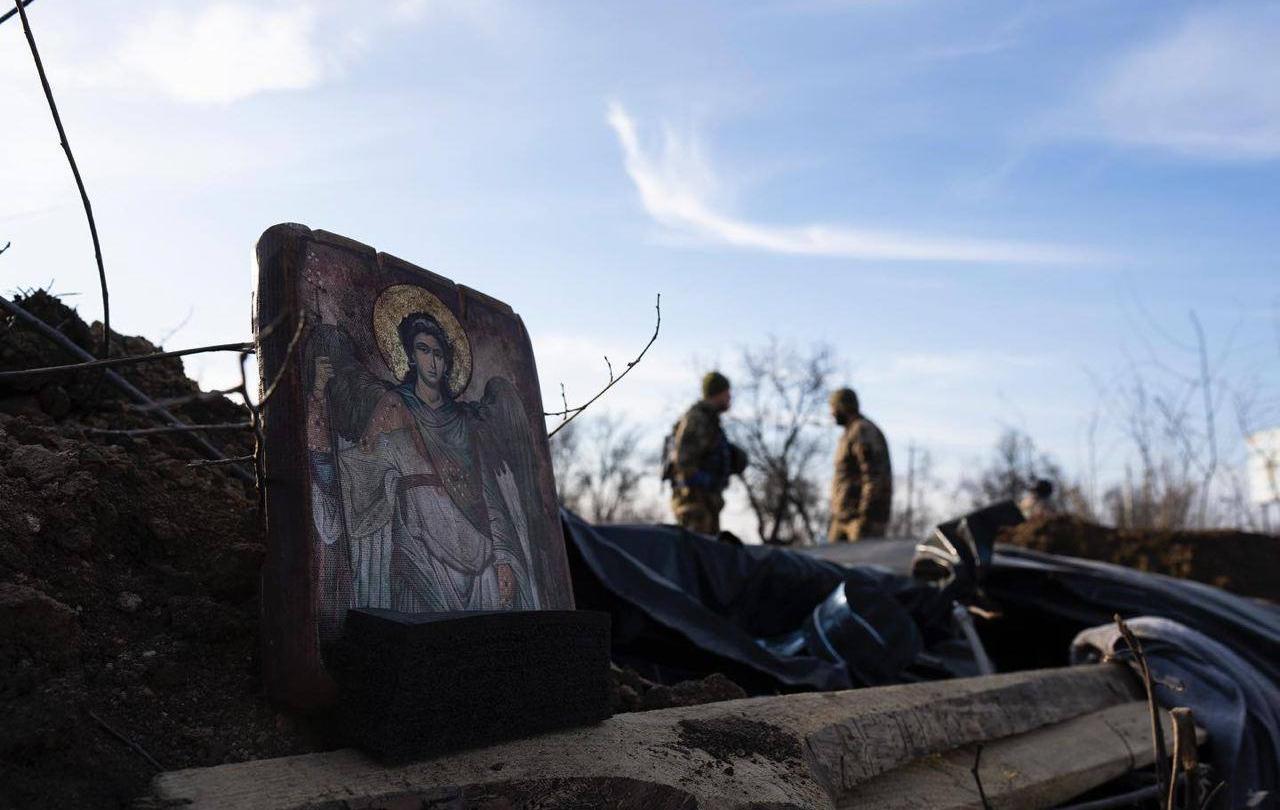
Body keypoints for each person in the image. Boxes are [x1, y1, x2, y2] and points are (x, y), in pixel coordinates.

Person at [307, 309, 543, 629]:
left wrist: (502, 557)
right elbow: (361, 466)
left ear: (446, 362)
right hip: (418, 554)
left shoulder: (465, 421)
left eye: (438, 353)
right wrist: (319, 399)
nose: (432, 361)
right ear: (411, 356)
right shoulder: (393, 406)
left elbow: (489, 494)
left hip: (476, 557)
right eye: (423, 350)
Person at [665, 371, 746, 534]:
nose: (730, 397)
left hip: (706, 504)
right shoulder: (698, 419)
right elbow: (683, 462)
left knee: (708, 554)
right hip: (694, 505)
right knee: (697, 556)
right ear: (717, 392)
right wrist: (705, 482)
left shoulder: (710, 421)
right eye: (727, 392)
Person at [828, 387, 892, 541]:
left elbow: (874, 476)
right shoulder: (848, 433)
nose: (831, 413)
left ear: (843, 406)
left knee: (858, 562)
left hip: (860, 519)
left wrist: (865, 515)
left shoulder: (863, 431)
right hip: (843, 517)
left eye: (833, 408)